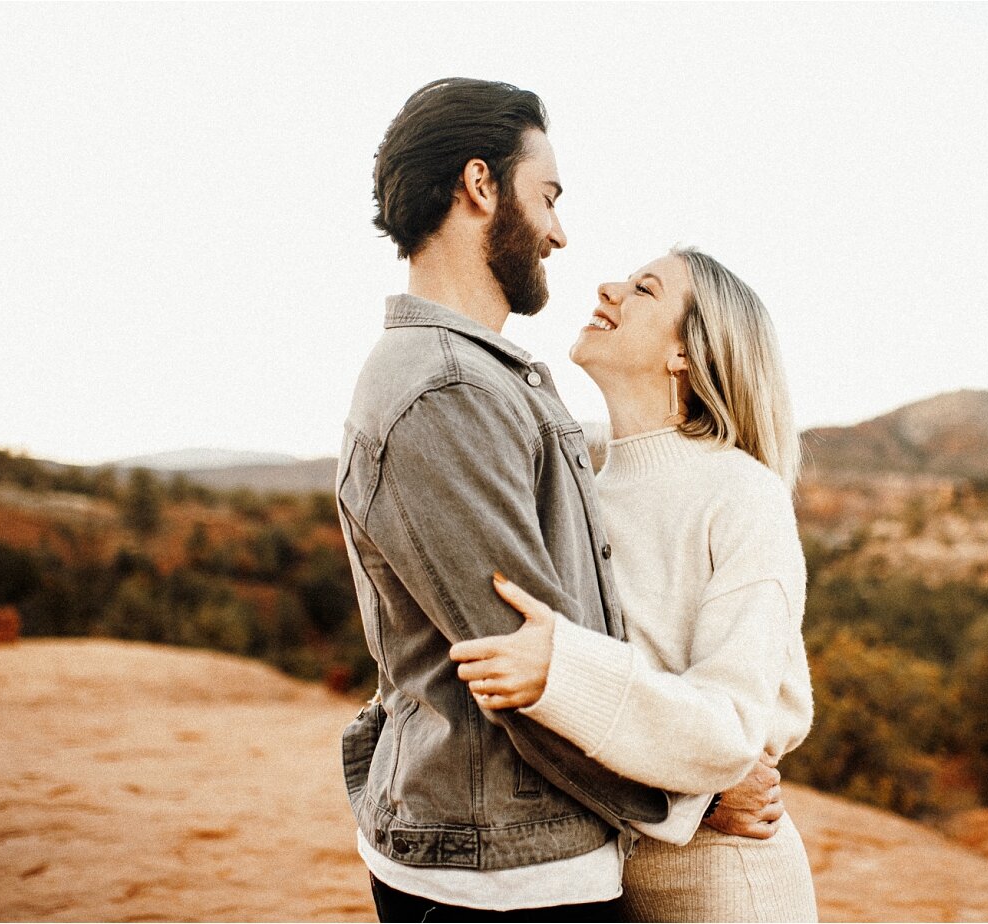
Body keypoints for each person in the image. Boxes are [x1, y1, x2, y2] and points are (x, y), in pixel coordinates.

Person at [337, 78, 784, 922]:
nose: (560, 232)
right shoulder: (446, 390)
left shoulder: (495, 383)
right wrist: (689, 799)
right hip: (509, 876)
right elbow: (522, 665)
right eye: (547, 196)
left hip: (534, 859)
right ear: (480, 186)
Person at [452, 247, 820, 921]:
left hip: (722, 877)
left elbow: (731, 727)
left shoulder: (742, 495)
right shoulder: (578, 493)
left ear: (685, 353)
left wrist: (562, 672)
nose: (609, 287)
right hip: (606, 874)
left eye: (644, 289)